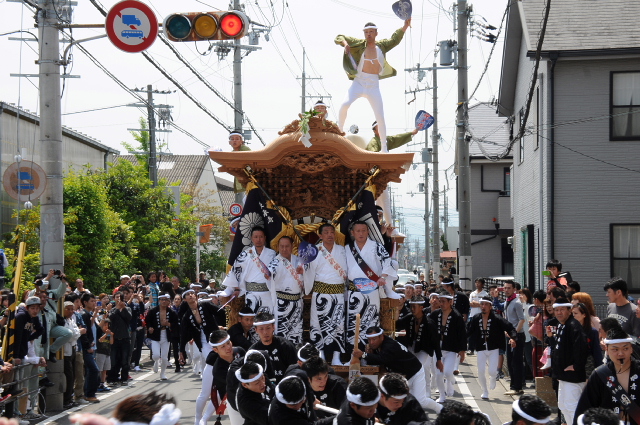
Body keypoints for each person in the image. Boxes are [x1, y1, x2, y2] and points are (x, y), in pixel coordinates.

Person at [334, 19, 411, 154]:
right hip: (359, 82)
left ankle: (384, 148)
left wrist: (405, 26)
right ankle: (339, 133)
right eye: (366, 32)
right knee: (344, 104)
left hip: (373, 85)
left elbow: (395, 39)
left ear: (376, 33)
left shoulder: (381, 46)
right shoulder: (359, 43)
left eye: (371, 32)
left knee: (380, 116)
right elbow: (339, 37)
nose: (368, 34)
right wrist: (345, 44)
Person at [353, 326, 442, 413]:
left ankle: (441, 409)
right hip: (402, 376)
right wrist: (369, 354)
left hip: (415, 372)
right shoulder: (379, 345)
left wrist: (364, 355)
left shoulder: (389, 345)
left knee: (421, 401)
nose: (371, 342)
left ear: (382, 337)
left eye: (374, 339)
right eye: (369, 340)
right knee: (400, 402)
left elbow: (382, 359)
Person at [345, 222, 400, 351]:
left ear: (368, 231)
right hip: (354, 291)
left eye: (363, 230)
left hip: (371, 290)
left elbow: (387, 261)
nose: (361, 233)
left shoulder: (376, 246)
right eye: (358, 231)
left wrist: (383, 277)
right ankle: (353, 353)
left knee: (371, 320)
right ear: (352, 233)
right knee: (353, 322)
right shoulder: (347, 248)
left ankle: (370, 353)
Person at [303, 223, 349, 364]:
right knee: (317, 324)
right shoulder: (314, 251)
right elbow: (307, 270)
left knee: (338, 324)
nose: (330, 235)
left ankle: (336, 357)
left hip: (338, 293)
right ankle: (320, 354)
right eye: (326, 232)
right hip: (320, 293)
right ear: (320, 235)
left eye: (332, 232)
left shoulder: (342, 250)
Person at [575, 328, 640, 425]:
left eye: (625, 348)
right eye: (615, 349)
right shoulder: (600, 374)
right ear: (607, 349)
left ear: (631, 349)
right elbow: (585, 408)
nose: (620, 353)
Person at [467, 296, 517, 399]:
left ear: (490, 306)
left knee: (492, 371)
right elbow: (469, 331)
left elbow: (510, 327)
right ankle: (485, 391)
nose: (483, 306)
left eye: (486, 304)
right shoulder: (476, 318)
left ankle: (493, 377)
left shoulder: (497, 319)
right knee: (480, 371)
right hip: (481, 348)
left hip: (494, 348)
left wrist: (513, 338)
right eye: (482, 304)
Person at [547, 297, 588, 425]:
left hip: (572, 376)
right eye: (556, 310)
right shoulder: (562, 325)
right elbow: (559, 348)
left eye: (562, 310)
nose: (559, 312)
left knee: (572, 407)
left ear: (569, 311)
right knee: (563, 406)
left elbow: (582, 347)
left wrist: (576, 366)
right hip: (563, 375)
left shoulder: (573, 325)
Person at [394, 296, 442, 400]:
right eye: (411, 306)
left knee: (418, 367)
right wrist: (397, 310)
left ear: (421, 307)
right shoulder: (409, 318)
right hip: (411, 347)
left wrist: (439, 360)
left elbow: (436, 342)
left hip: (424, 350)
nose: (412, 309)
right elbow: (396, 324)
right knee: (411, 369)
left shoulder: (429, 323)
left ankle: (424, 392)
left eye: (414, 307)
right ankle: (412, 392)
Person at [223, 227, 277, 314]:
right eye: (256, 237)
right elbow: (235, 271)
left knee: (268, 317)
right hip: (251, 294)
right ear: (252, 238)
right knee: (251, 317)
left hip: (268, 294)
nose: (258, 239)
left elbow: (277, 271)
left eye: (261, 237)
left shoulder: (272, 254)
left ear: (265, 238)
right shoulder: (244, 255)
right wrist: (236, 288)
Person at [201, 330, 246, 425]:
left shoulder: (240, 351)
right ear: (215, 350)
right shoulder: (218, 369)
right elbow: (237, 383)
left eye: (228, 343)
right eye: (223, 346)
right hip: (234, 402)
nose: (228, 347)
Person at [430, 292, 467, 403]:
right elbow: (427, 325)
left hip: (451, 349)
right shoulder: (435, 314)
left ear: (450, 302)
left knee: (447, 372)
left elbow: (462, 334)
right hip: (438, 349)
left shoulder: (457, 316)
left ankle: (450, 379)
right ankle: (442, 395)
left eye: (443, 301)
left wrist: (462, 350)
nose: (441, 303)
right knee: (438, 374)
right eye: (440, 301)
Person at [269, 236, 305, 344]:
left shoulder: (299, 261)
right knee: (281, 333)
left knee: (296, 332)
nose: (284, 249)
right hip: (282, 304)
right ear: (278, 247)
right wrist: (269, 275)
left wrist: (303, 273)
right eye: (282, 246)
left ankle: (295, 352)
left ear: (292, 246)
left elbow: (307, 278)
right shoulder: (275, 262)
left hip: (297, 303)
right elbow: (270, 273)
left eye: (287, 246)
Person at [179, 289, 220, 376]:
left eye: (192, 293)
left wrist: (221, 326)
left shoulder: (206, 305)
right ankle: (212, 378)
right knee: (210, 359)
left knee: (219, 358)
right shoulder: (187, 316)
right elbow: (183, 334)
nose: (190, 295)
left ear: (196, 297)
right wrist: (181, 350)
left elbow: (220, 312)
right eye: (188, 294)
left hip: (216, 337)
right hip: (202, 341)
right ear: (185, 299)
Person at [250, 312, 297, 383]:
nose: (265, 332)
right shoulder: (254, 350)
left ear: (273, 327)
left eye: (268, 328)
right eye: (261, 329)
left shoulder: (286, 346)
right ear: (255, 330)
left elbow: (294, 369)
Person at [268, 376, 335, 425]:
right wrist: (337, 417)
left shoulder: (299, 377)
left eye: (302, 400)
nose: (301, 403)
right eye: (293, 405)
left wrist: (312, 399)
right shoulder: (283, 419)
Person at [146, 292, 178, 380]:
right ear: (159, 300)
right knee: (156, 355)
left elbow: (175, 324)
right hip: (155, 335)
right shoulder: (153, 311)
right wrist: (150, 328)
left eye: (166, 300)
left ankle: (163, 373)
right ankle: (156, 361)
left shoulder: (171, 312)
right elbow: (147, 321)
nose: (164, 301)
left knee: (164, 358)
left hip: (166, 335)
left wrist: (168, 324)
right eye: (162, 299)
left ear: (168, 301)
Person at [503, 280, 526, 395]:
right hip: (509, 335)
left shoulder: (517, 302)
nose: (506, 290)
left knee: (516, 362)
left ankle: (517, 387)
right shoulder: (507, 301)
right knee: (510, 361)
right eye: (505, 288)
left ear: (514, 289)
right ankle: (514, 386)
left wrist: (514, 333)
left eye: (509, 288)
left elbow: (522, 319)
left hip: (517, 336)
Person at [572, 303, 604, 378]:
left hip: (587, 364)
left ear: (584, 315)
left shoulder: (592, 331)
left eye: (576, 313)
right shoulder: (570, 330)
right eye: (572, 313)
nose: (573, 316)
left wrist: (600, 368)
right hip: (573, 362)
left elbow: (596, 351)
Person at [107, 291, 132, 386]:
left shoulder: (127, 309)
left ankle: (124, 378)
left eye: (120, 297)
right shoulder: (112, 310)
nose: (118, 299)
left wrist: (123, 308)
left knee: (125, 360)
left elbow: (129, 318)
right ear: (113, 299)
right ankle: (112, 378)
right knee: (114, 360)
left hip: (125, 338)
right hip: (114, 338)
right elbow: (110, 317)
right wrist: (117, 308)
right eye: (117, 297)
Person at [80, 293, 101, 402]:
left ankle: (87, 393)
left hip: (90, 345)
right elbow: (83, 333)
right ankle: (89, 394)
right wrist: (88, 345)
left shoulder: (88, 314)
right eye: (92, 301)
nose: (94, 303)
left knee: (89, 371)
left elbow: (91, 326)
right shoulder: (83, 314)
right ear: (85, 302)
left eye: (94, 301)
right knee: (93, 370)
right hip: (85, 347)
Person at [62, 300, 83, 408]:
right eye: (68, 309)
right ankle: (66, 400)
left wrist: (77, 332)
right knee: (68, 376)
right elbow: (70, 335)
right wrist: (78, 332)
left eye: (72, 309)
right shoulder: (62, 321)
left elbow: (75, 332)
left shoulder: (71, 320)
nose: (71, 311)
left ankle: (69, 398)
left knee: (73, 375)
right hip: (65, 351)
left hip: (73, 348)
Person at [229, 129, 251, 202]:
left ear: (241, 141)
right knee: (246, 200)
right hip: (244, 180)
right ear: (229, 142)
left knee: (247, 201)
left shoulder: (245, 149)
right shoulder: (232, 153)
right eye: (232, 139)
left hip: (250, 178)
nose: (234, 141)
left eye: (237, 139)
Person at [468, 278, 488, 355]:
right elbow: (470, 303)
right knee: (471, 332)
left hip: (481, 315)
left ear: (482, 284)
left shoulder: (485, 294)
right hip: (472, 315)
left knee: (481, 332)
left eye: (479, 282)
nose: (477, 284)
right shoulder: (472, 293)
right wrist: (479, 304)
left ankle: (480, 348)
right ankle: (471, 349)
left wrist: (477, 304)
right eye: (476, 282)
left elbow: (485, 305)